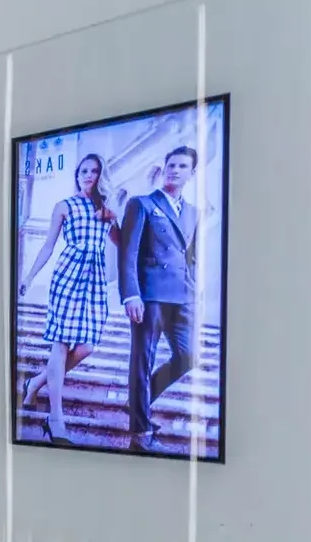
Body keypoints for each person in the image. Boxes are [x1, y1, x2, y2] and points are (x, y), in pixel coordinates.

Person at [19, 153, 121, 444]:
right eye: (84, 171)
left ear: (102, 176)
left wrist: (117, 216)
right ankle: (56, 419)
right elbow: (49, 245)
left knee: (87, 346)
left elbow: (121, 244)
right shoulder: (64, 206)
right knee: (60, 345)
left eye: (95, 171)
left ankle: (36, 381)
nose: (88, 175)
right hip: (68, 275)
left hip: (95, 280)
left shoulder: (106, 209)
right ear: (77, 174)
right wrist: (28, 277)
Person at [120, 145, 202, 453]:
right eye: (171, 164)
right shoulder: (141, 204)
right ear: (164, 167)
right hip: (150, 294)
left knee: (188, 356)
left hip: (183, 296)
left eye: (182, 166)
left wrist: (195, 289)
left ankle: (138, 401)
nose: (175, 170)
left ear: (191, 174)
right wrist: (131, 294)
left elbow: (191, 257)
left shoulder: (193, 212)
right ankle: (140, 433)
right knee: (142, 359)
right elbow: (128, 253)